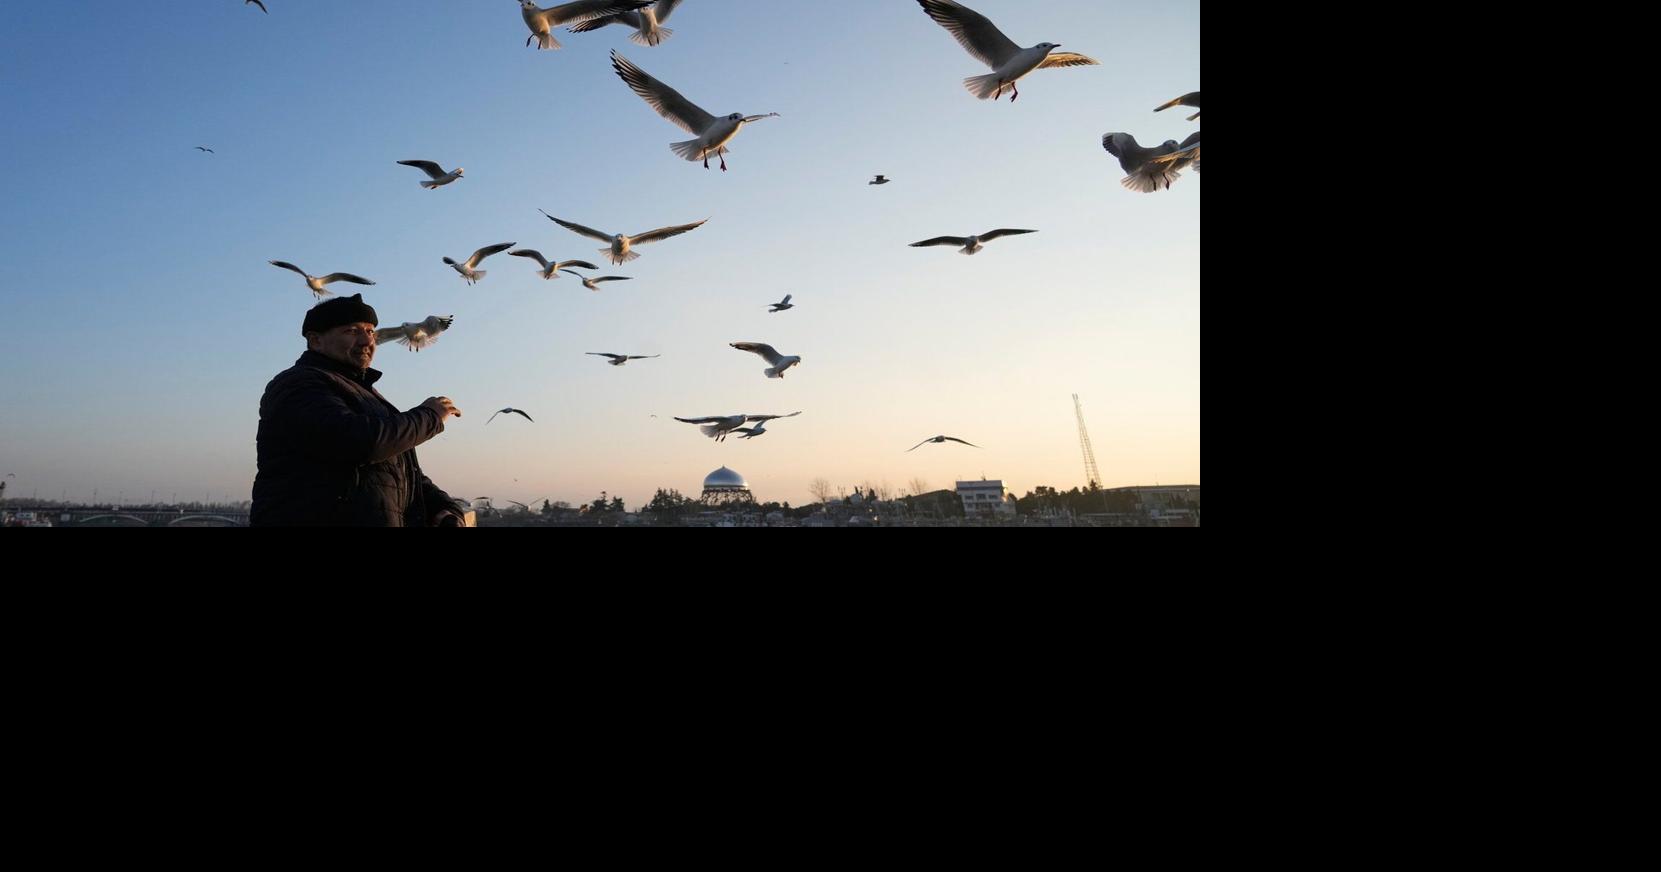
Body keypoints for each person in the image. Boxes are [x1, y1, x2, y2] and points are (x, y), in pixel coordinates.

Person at [252, 294, 467, 526]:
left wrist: (443, 508)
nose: (367, 341)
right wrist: (429, 416)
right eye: (352, 331)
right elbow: (360, 442)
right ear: (315, 341)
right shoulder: (297, 384)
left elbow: (399, 471)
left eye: (370, 331)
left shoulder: (367, 395)